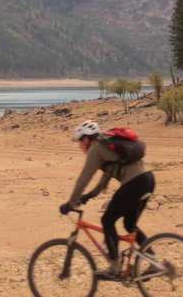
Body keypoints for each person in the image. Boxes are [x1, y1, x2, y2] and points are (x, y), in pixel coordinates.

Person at [60, 120, 155, 280]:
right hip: (148, 179)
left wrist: (70, 203)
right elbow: (106, 176)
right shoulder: (106, 147)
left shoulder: (95, 149)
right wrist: (88, 196)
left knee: (107, 220)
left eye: (79, 142)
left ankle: (115, 267)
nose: (79, 146)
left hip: (135, 182)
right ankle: (154, 262)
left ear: (86, 139)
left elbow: (84, 178)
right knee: (129, 224)